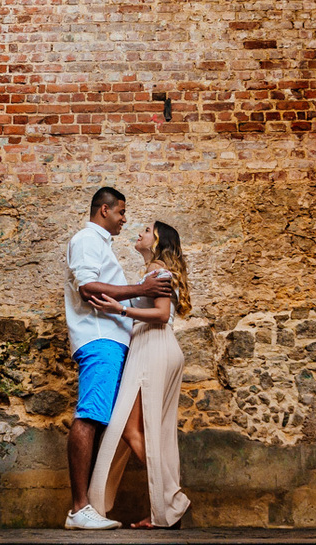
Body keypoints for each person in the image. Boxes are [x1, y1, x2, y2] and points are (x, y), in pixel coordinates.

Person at [63, 187, 173, 530]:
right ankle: (80, 509)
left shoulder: (100, 244)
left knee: (101, 417)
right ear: (104, 210)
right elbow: (88, 288)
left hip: (111, 342)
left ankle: (87, 507)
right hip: (99, 340)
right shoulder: (86, 240)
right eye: (121, 212)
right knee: (90, 415)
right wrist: (140, 291)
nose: (125, 219)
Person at [86, 220, 192, 529]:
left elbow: (160, 315)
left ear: (157, 241)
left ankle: (171, 502)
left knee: (131, 429)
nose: (139, 233)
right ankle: (167, 507)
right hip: (154, 346)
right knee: (146, 430)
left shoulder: (158, 271)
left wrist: (120, 310)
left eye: (146, 230)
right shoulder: (154, 271)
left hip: (154, 346)